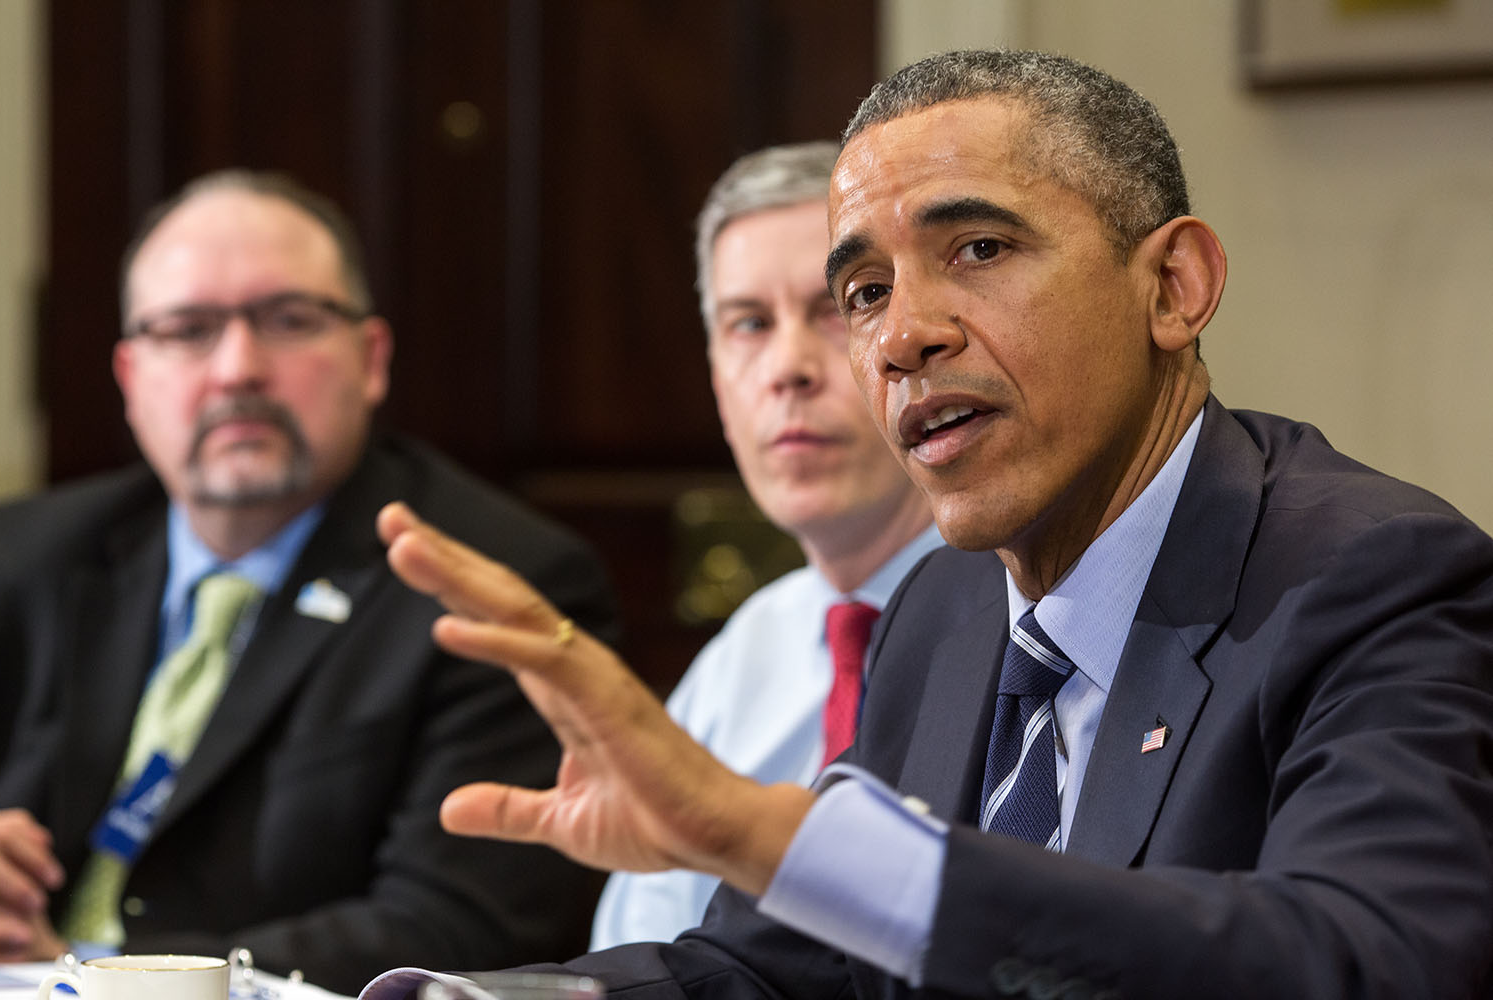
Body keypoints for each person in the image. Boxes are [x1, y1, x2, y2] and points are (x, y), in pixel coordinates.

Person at [373, 49, 1493, 1000]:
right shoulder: (944, 609)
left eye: (979, 251)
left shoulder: (1371, 578)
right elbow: (778, 974)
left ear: (1175, 286)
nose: (902, 336)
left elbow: (1366, 960)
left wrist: (770, 834)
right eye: (863, 292)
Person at [0, 170, 619, 994]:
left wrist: (90, 976)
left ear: (371, 359)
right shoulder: (23, 554)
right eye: (188, 329)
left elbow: (456, 924)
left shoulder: (491, 584)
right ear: (130, 376)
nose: (238, 368)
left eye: (289, 321)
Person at [589, 142, 939, 949]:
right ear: (715, 376)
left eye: (837, 309)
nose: (788, 368)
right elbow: (633, 954)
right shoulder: (741, 657)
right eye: (748, 324)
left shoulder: (1037, 622)